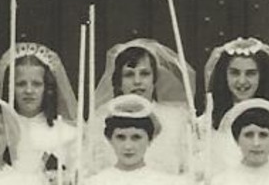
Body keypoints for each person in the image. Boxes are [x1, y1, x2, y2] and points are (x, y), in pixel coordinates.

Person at [0, 43, 82, 185]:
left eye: (37, 84)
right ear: (10, 88)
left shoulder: (67, 133)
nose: (29, 91)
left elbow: (78, 181)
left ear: (47, 88)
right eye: (20, 84)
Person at [86, 40, 200, 177]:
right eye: (129, 75)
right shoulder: (102, 120)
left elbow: (190, 169)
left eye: (145, 74)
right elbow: (90, 170)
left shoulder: (176, 119)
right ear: (118, 82)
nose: (137, 81)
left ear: (154, 79)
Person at [202, 37, 269, 171]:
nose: (242, 81)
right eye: (234, 73)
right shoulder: (206, 123)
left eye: (250, 74)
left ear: (261, 76)